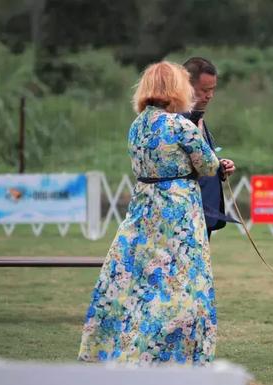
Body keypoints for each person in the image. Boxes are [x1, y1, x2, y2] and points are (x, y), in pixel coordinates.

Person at [78, 61, 220, 365]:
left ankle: (119, 346)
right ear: (176, 89)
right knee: (184, 286)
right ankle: (174, 353)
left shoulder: (137, 125)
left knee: (136, 282)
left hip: (144, 209)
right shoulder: (180, 125)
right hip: (179, 214)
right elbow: (208, 165)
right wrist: (221, 166)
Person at [182, 57, 237, 239]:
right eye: (205, 90)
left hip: (204, 212)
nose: (210, 95)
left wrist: (219, 166)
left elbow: (196, 160)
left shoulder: (197, 116)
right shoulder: (178, 120)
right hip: (188, 213)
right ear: (186, 86)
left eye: (213, 89)